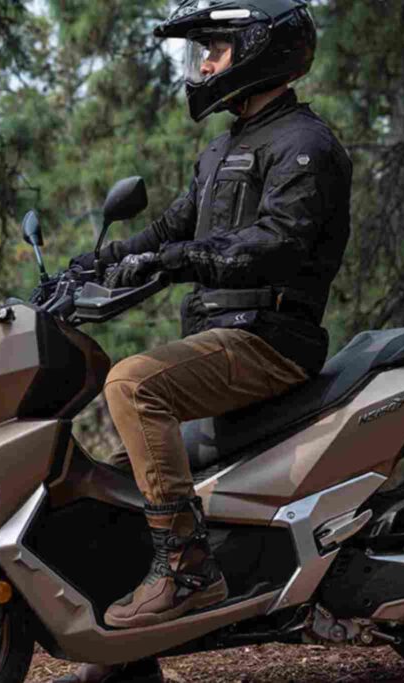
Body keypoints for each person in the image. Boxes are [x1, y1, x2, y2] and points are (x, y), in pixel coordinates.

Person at [56, 1, 352, 680]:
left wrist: (176, 262)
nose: (206, 65)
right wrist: (96, 262)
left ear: (259, 49)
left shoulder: (306, 145)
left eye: (217, 49)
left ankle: (189, 570)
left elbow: (276, 242)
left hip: (271, 339)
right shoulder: (223, 148)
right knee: (119, 482)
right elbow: (171, 229)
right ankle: (126, 659)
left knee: (134, 384)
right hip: (224, 338)